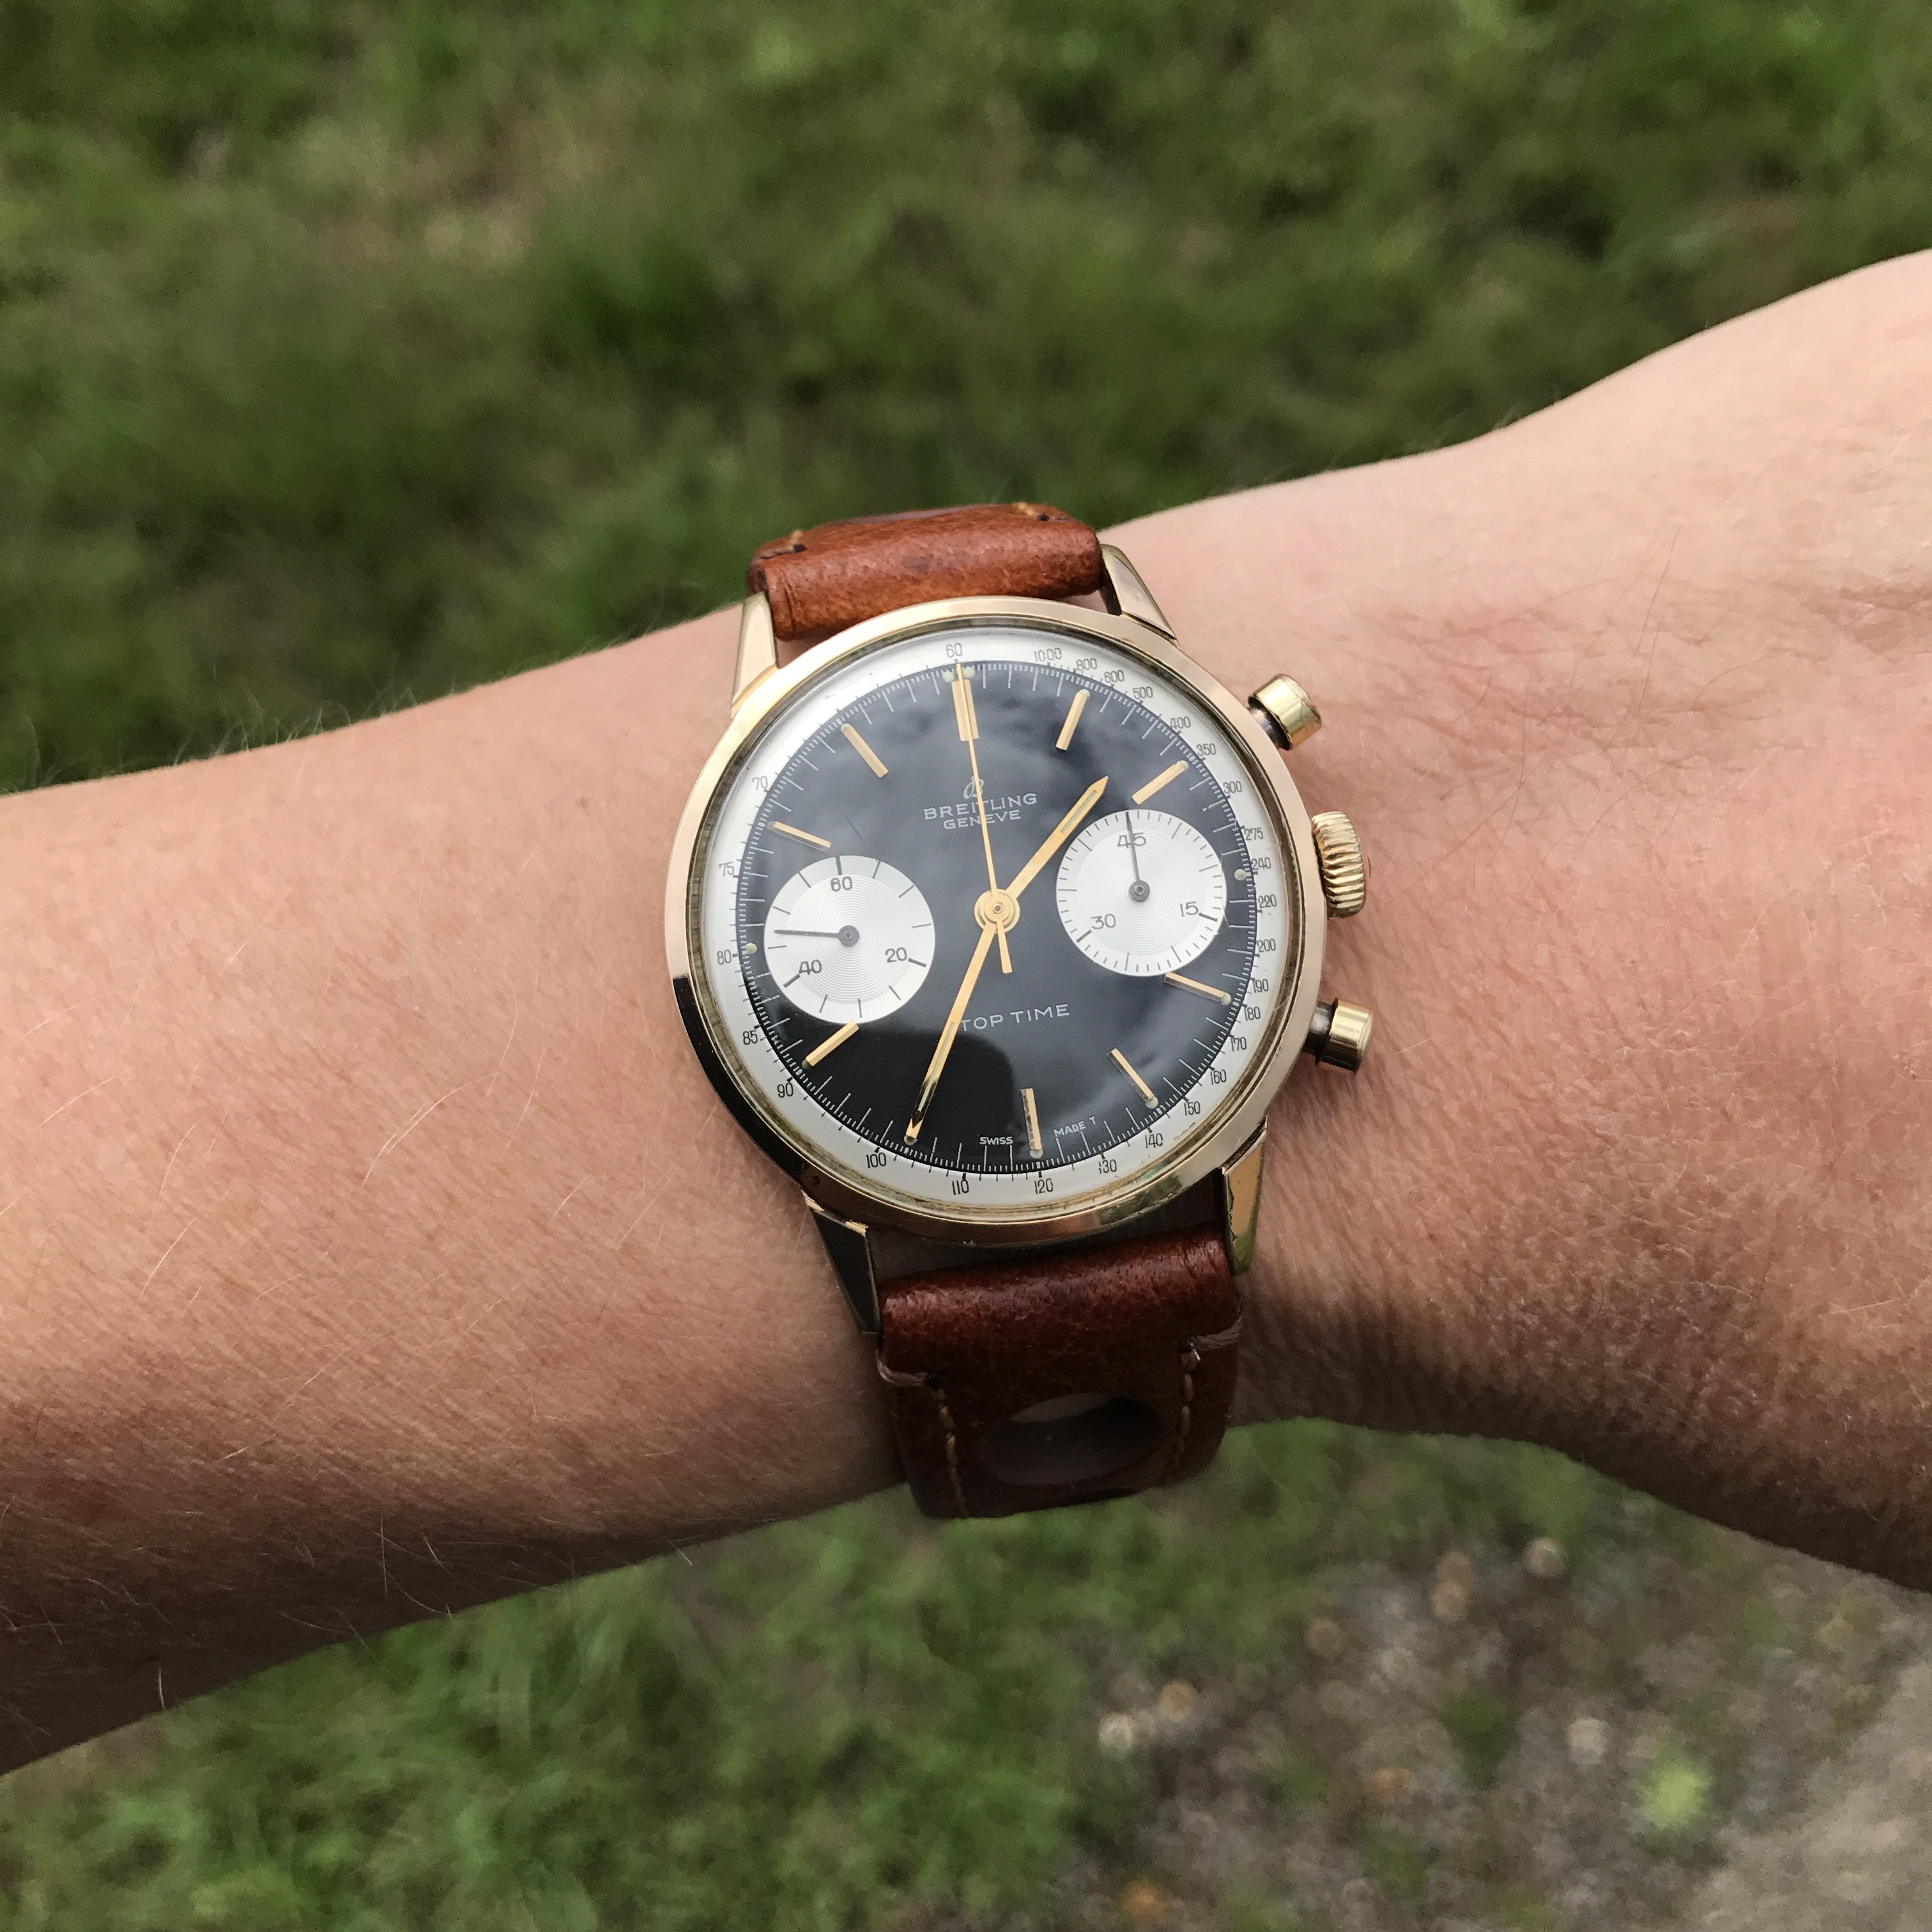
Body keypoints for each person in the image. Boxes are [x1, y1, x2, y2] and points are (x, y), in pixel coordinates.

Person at [2, 255, 1927, 1774]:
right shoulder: (844, 946)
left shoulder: (1200, 864)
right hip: (954, 1146)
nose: (1000, 913)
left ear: (1301, 850)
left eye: (1098, 883)